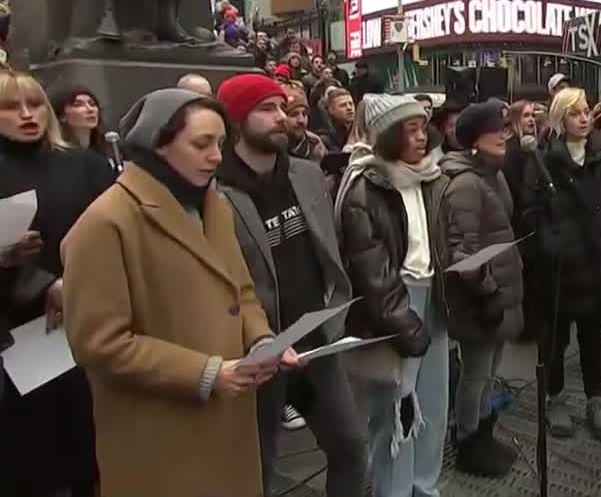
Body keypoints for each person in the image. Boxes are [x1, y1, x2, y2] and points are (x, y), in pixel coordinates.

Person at [62, 88, 298, 497]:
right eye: (201, 144)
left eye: (221, 143)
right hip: (159, 435)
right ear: (158, 145)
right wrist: (206, 373)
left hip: (227, 421)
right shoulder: (106, 222)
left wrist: (262, 340)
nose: (217, 157)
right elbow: (99, 343)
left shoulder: (214, 204)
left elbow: (241, 290)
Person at [214, 75, 367, 497]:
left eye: (282, 107)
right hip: (257, 354)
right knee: (256, 469)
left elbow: (329, 248)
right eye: (267, 109)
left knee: (352, 449)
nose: (282, 118)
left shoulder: (306, 172)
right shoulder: (215, 193)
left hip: (317, 340)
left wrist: (337, 308)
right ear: (236, 120)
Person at [0, 70, 114, 497]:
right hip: (20, 335)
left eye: (34, 104)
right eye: (11, 107)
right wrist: (11, 264)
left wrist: (70, 280)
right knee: (37, 461)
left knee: (95, 450)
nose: (27, 115)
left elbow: (117, 236)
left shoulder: (85, 165)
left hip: (90, 319)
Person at [335, 94, 449, 496]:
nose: (422, 138)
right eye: (410, 130)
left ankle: (425, 486)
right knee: (397, 417)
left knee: (433, 407)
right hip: (396, 309)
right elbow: (373, 273)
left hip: (433, 297)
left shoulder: (431, 177)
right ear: (386, 137)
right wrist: (405, 324)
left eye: (423, 127)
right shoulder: (364, 188)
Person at [522, 87, 601, 440]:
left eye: (586, 111)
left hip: (597, 265)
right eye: (575, 113)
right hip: (559, 270)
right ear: (559, 119)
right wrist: (552, 245)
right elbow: (531, 213)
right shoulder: (542, 160)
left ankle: (597, 400)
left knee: (593, 338)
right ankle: (556, 398)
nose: (584, 118)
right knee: (554, 340)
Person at [436, 99, 525, 476]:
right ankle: (469, 440)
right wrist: (488, 291)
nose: (504, 134)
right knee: (475, 375)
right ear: (474, 138)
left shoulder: (493, 174)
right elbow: (463, 253)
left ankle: (483, 433)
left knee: (487, 373)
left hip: (499, 292)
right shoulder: (466, 183)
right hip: (480, 299)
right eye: (495, 129)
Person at [503, 99, 539, 340]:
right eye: (526, 115)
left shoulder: (532, 148)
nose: (531, 120)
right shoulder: (513, 151)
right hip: (519, 222)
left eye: (532, 115)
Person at [51, 85, 105, 154]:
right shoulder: (56, 153)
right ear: (62, 116)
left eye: (92, 104)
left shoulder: (110, 146)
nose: (90, 109)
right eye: (78, 105)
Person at [281, 84, 328, 162]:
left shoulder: (315, 143)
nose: (301, 120)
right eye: (294, 114)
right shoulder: (272, 145)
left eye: (304, 114)